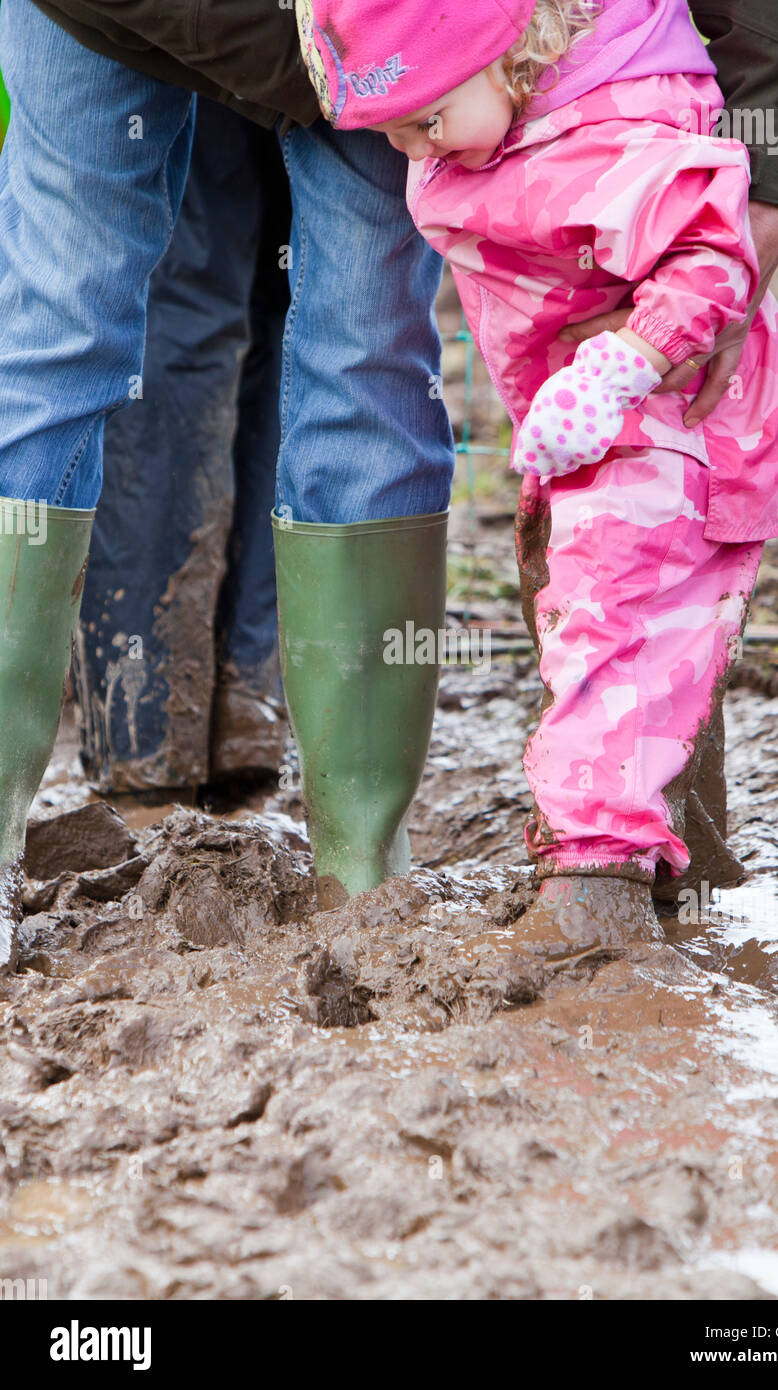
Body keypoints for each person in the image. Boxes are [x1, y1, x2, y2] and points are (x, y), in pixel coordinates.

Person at [295, 0, 778, 951]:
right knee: (628, 643)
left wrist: (618, 368)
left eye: (424, 119)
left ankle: (591, 888)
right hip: (595, 441)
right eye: (392, 128)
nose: (409, 145)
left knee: (609, 639)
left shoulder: (609, 134)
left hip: (670, 435)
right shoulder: (502, 125)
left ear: (502, 56)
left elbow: (710, 250)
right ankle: (671, 880)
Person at [0, 0, 455, 972]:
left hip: (376, 19)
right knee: (59, 315)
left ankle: (363, 880)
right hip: (192, 16)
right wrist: (365, 74)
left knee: (370, 341)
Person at [74, 97, 292, 797]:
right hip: (361, 38)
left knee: (178, 292)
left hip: (188, 35)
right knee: (308, 303)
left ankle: (145, 726)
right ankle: (247, 696)